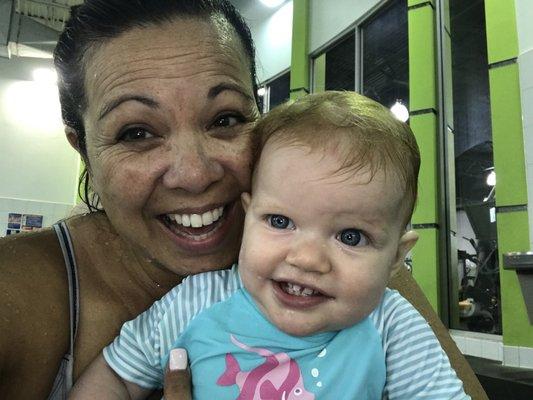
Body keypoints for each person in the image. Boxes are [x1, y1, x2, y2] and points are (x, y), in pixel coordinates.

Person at [0, 1, 487, 399]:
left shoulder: (355, 275)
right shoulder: (20, 293)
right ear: (82, 146)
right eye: (137, 131)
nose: (194, 174)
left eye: (226, 119)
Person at [70, 92, 470, 399]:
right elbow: (117, 379)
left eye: (351, 237)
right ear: (249, 216)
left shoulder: (390, 326)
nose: (307, 259)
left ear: (396, 258)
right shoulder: (197, 303)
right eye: (280, 222)